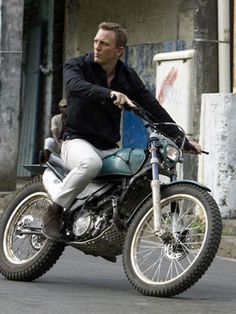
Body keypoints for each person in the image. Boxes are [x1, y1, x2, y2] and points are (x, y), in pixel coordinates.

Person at [42, 22, 202, 239]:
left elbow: (152, 108)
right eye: (96, 41)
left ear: (119, 51)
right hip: (76, 141)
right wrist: (109, 94)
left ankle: (112, 225)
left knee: (139, 170)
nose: (97, 46)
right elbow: (74, 86)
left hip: (108, 147)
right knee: (90, 163)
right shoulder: (78, 65)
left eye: (104, 44)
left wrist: (183, 140)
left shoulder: (126, 76)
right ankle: (54, 211)